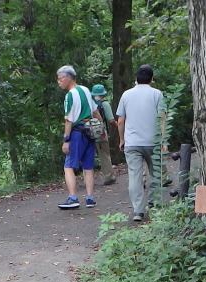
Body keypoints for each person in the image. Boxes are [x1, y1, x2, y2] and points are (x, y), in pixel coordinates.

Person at [115, 64, 168, 223]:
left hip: (132, 143)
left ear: (136, 79)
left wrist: (122, 139)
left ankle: (138, 210)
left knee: (134, 177)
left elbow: (120, 121)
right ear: (152, 79)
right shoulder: (157, 94)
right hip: (153, 142)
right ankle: (154, 204)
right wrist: (163, 139)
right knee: (156, 174)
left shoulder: (126, 95)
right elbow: (163, 118)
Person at [55, 65, 103, 210]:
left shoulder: (70, 95)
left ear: (68, 78)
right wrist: (101, 128)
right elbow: (95, 111)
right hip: (90, 131)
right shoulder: (86, 90)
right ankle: (90, 198)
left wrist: (65, 140)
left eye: (60, 79)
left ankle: (73, 198)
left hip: (77, 132)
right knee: (88, 166)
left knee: (68, 166)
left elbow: (69, 120)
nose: (59, 82)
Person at [90, 84, 117, 186]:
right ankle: (108, 177)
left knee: (89, 156)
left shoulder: (89, 104)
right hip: (101, 134)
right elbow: (110, 120)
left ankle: (88, 179)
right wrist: (117, 125)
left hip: (88, 133)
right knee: (104, 155)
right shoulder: (104, 104)